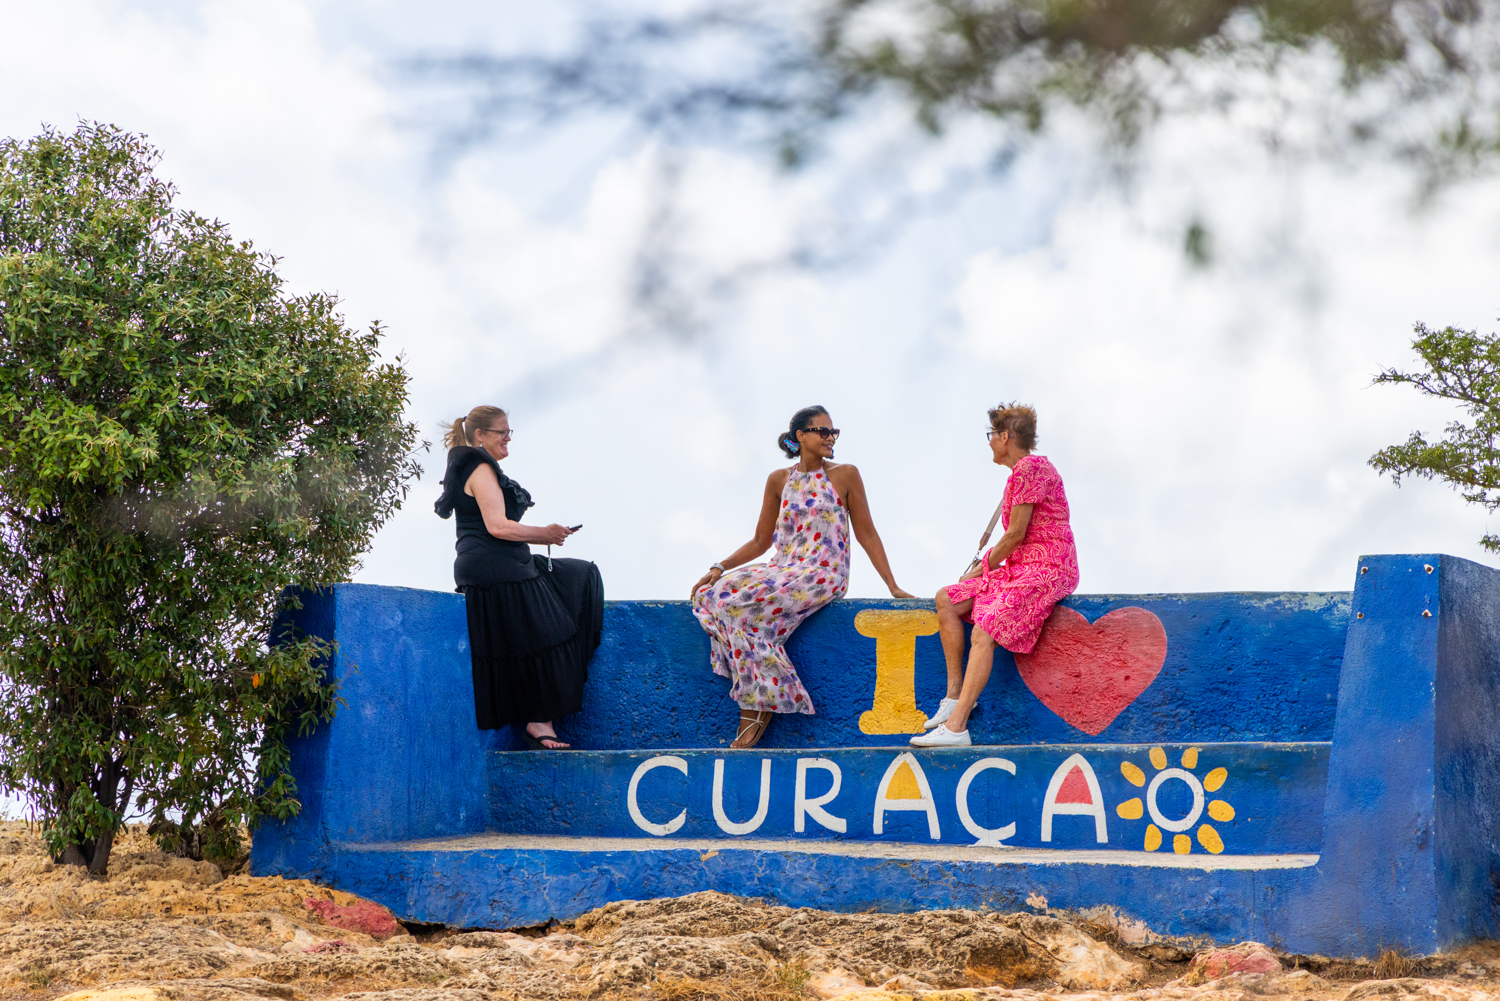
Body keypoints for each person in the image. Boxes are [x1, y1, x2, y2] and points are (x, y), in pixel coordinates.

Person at [691, 406, 916, 748]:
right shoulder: (779, 480)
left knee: (743, 612)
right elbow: (760, 541)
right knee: (715, 596)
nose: (830, 437)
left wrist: (892, 585)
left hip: (823, 571)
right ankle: (766, 693)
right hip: (784, 568)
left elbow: (867, 533)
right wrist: (719, 568)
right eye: (822, 431)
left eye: (833, 432)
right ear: (800, 436)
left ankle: (757, 703)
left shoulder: (845, 475)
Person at [434, 405, 603, 749]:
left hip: (504, 563)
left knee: (579, 576)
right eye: (502, 432)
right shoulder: (479, 468)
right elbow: (497, 526)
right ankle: (538, 721)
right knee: (548, 632)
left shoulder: (476, 465)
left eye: (510, 432)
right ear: (480, 435)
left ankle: (539, 718)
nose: (508, 438)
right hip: (495, 568)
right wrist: (546, 533)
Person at [911, 403, 1078, 748]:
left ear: (1005, 437)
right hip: (1019, 570)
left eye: (992, 436)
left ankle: (957, 729)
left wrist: (984, 566)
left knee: (985, 628)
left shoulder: (1030, 467)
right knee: (948, 598)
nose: (989, 443)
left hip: (1047, 569)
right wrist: (989, 567)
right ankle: (954, 698)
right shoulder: (1021, 472)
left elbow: (1016, 533)